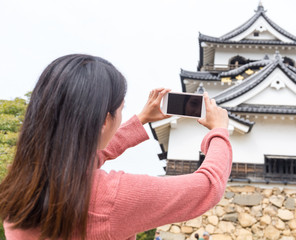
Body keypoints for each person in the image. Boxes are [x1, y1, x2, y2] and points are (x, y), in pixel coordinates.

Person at [0, 54, 232, 240]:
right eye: (121, 109)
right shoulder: (113, 198)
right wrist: (219, 131)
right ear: (103, 121)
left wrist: (140, 119)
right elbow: (207, 187)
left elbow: (81, 156)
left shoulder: (17, 191)